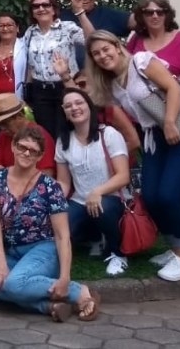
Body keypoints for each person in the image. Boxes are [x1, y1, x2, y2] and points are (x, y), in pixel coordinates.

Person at [84, 30, 180, 282]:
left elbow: (173, 87)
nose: (103, 56)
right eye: (96, 54)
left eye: (106, 49)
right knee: (150, 196)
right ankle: (173, 249)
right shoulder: (112, 83)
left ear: (118, 46)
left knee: (169, 195)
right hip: (154, 139)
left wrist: (170, 122)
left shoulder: (142, 61)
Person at [0, 125, 99, 322]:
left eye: (33, 151)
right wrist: (1, 262)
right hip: (13, 251)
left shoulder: (50, 187)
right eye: (22, 147)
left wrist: (64, 277)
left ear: (40, 157)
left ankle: (78, 292)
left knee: (13, 284)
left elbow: (62, 235)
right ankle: (49, 306)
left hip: (43, 250)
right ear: (13, 147)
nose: (26, 153)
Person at [126, 0, 180, 234]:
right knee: (158, 185)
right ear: (141, 16)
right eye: (148, 12)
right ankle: (173, 226)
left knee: (176, 179)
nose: (154, 16)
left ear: (167, 15)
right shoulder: (136, 42)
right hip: (150, 123)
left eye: (159, 12)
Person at [55, 88, 131, 277]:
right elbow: (63, 182)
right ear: (64, 112)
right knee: (61, 226)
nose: (74, 108)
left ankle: (118, 253)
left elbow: (123, 176)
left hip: (111, 198)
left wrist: (98, 192)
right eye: (68, 105)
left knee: (102, 207)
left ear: (89, 106)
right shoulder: (63, 141)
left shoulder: (109, 134)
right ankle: (94, 237)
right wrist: (54, 202)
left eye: (79, 103)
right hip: (80, 200)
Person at [22, 0, 94, 138]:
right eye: (36, 6)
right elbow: (30, 64)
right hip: (40, 91)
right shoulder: (30, 32)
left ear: (54, 9)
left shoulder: (67, 28)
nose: (41, 9)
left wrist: (80, 12)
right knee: (46, 135)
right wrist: (27, 91)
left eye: (45, 5)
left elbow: (92, 39)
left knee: (68, 132)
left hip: (65, 87)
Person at [61, 0, 157, 65]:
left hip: (102, 76)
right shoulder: (59, 17)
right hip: (65, 76)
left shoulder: (107, 14)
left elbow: (139, 21)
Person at [0, 94, 57, 177]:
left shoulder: (40, 136)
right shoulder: (3, 136)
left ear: (20, 116)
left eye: (6, 123)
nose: (3, 128)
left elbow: (46, 175)